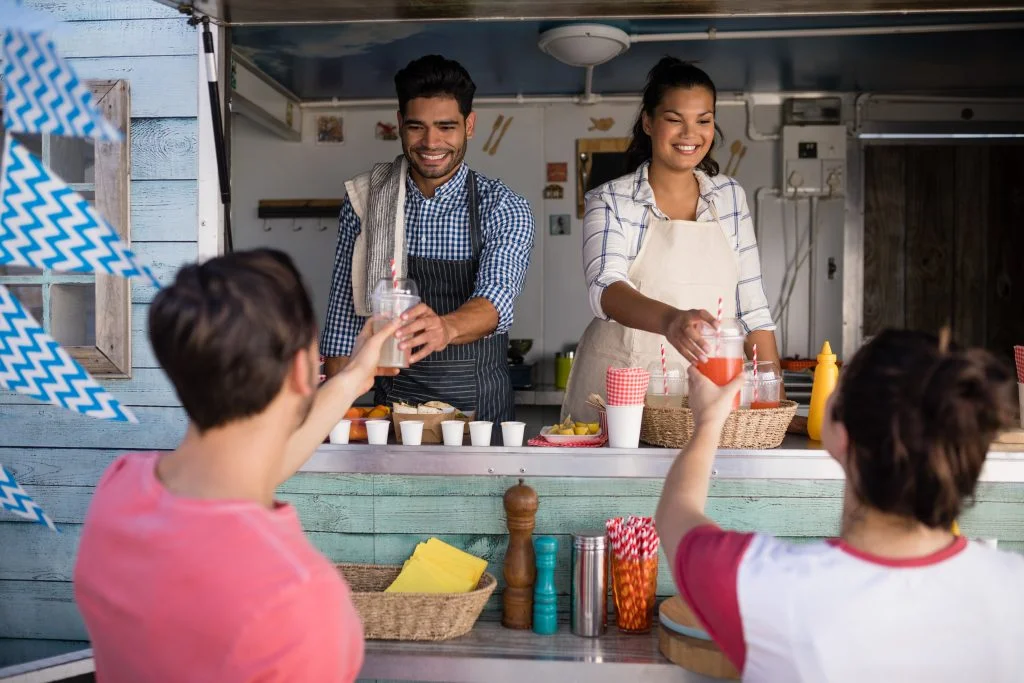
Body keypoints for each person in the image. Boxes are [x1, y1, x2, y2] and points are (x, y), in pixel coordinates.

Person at [74, 249, 398, 682]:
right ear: (304, 369)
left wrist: (354, 378)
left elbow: (249, 473)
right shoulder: (297, 596)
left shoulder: (120, 491)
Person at [655, 328, 1024, 682]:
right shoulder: (1014, 591)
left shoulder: (765, 588)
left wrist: (709, 422)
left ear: (840, 431)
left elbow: (676, 512)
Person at [562, 58, 782, 421]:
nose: (690, 133)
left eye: (703, 120)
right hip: (621, 392)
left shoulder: (728, 197)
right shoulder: (611, 199)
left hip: (714, 392)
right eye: (674, 119)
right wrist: (671, 321)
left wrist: (772, 402)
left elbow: (753, 309)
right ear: (648, 122)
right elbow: (605, 287)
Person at [321, 54, 535, 424]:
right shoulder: (366, 201)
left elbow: (495, 301)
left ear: (469, 125)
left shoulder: (502, 207)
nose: (431, 142)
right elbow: (343, 321)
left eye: (446, 127)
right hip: (391, 412)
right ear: (400, 124)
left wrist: (446, 327)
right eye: (417, 127)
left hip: (480, 411)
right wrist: (331, 421)